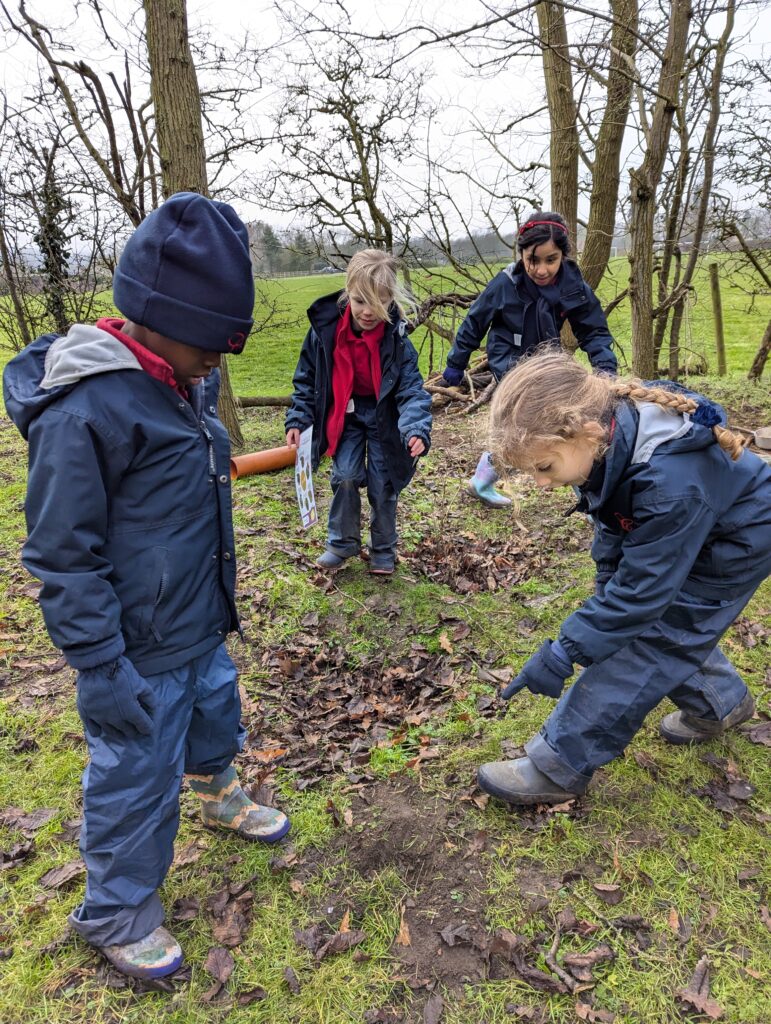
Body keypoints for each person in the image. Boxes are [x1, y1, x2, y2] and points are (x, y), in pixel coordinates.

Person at [3, 193, 290, 980]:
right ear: (158, 316)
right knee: (133, 778)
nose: (219, 362)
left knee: (213, 716)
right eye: (211, 344)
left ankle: (220, 790)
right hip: (133, 651)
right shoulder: (87, 410)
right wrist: (99, 666)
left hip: (196, 621)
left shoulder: (180, 383)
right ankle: (116, 910)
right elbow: (62, 555)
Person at [476, 349, 771, 805]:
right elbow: (616, 525)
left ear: (584, 432)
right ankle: (722, 703)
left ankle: (558, 763)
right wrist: (604, 598)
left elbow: (641, 597)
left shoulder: (670, 481)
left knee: (654, 637)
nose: (540, 484)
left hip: (740, 537)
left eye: (544, 467)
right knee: (648, 624)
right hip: (701, 522)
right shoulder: (610, 440)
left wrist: (566, 650)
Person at [441, 212, 617, 507]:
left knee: (540, 425)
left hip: (546, 358)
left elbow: (593, 328)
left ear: (562, 256)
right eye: (532, 259)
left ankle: (483, 480)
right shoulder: (505, 284)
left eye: (551, 259)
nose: (541, 268)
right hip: (509, 359)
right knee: (536, 423)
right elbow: (474, 323)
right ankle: (585, 494)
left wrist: (605, 366)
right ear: (521, 253)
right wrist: (456, 364)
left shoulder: (572, 285)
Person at [285, 249, 432, 575]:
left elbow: (411, 390)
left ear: (391, 300)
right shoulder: (323, 334)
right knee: (346, 476)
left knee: (383, 483)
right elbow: (307, 380)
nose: (368, 312)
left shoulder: (397, 341)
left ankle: (382, 549)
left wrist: (415, 428)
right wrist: (298, 418)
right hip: (345, 415)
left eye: (378, 303)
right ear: (347, 294)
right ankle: (341, 544)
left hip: (386, 418)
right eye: (360, 301)